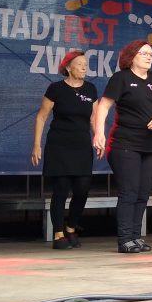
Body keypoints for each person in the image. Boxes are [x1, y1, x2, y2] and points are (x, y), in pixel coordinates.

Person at [93, 40, 152, 253]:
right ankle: (124, 238)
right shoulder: (122, 78)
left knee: (143, 193)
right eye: (144, 53)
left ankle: (136, 236)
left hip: (151, 145)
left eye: (151, 54)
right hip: (125, 144)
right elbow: (104, 106)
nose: (149, 57)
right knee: (129, 191)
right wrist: (99, 133)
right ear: (131, 57)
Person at [31, 49, 97, 250]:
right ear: (68, 67)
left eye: (86, 64)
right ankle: (58, 233)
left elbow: (94, 118)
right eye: (80, 64)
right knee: (61, 189)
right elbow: (42, 116)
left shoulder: (91, 89)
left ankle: (71, 227)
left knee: (82, 189)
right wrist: (36, 145)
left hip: (82, 145)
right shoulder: (56, 89)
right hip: (59, 145)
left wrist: (99, 138)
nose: (84, 68)